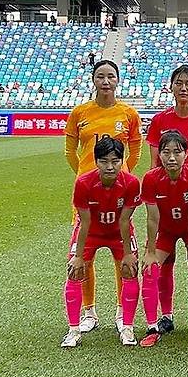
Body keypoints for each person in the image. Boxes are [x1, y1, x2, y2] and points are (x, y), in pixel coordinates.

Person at [64, 59, 142, 334]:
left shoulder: (129, 113)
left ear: (118, 80)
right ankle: (89, 311)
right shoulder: (80, 112)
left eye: (111, 76)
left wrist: (123, 173)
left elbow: (135, 149)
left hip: (118, 189)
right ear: (93, 80)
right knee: (84, 250)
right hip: (87, 192)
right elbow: (70, 151)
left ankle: (123, 311)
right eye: (100, 76)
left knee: (122, 250)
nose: (106, 81)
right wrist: (85, 174)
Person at [145, 64, 188, 335]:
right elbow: (153, 163)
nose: (184, 88)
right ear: (171, 86)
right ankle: (166, 315)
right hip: (165, 199)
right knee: (165, 261)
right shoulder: (160, 121)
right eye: (179, 82)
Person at [61, 138, 142, 348]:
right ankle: (73, 329)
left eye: (115, 161)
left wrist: (127, 253)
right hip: (91, 232)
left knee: (130, 269)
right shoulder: (84, 183)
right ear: (96, 161)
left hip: (119, 233)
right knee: (75, 270)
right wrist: (78, 256)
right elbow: (84, 222)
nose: (110, 166)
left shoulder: (131, 183)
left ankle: (127, 325)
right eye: (104, 161)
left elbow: (125, 220)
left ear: (121, 161)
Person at [139, 130, 188, 348]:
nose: (171, 158)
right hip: (166, 230)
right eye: (166, 152)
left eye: (177, 152)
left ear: (186, 154)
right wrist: (150, 251)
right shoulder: (151, 179)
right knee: (150, 269)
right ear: (159, 154)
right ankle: (156, 325)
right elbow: (152, 218)